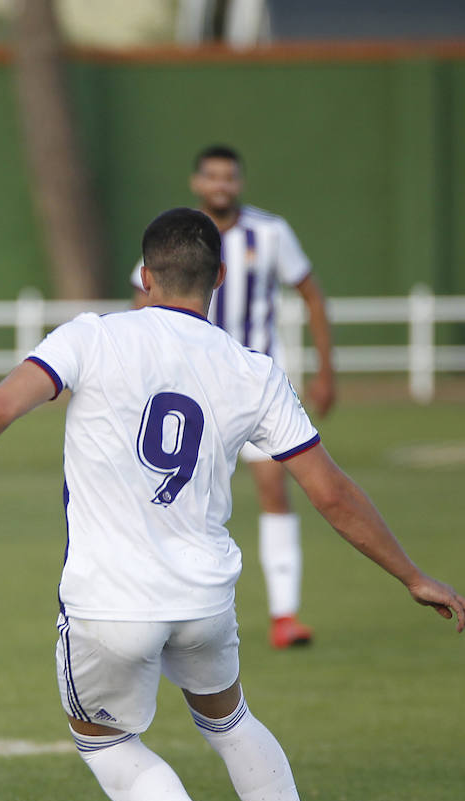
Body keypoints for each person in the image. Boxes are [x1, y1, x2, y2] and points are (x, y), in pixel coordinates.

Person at [0, 208, 465, 801]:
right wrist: (410, 575)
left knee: (99, 739)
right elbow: (330, 491)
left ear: (144, 277)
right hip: (203, 599)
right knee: (229, 721)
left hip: (108, 603)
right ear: (220, 280)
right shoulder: (252, 370)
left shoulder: (93, 336)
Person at [131, 145, 336, 649]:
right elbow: (142, 299)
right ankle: (163, 607)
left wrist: (327, 369)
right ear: (197, 182)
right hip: (188, 389)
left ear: (239, 182)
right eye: (213, 176)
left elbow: (310, 292)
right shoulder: (178, 236)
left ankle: (285, 615)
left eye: (230, 176)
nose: (222, 185)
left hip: (252, 386)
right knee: (174, 494)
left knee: (274, 485)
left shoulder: (270, 232)